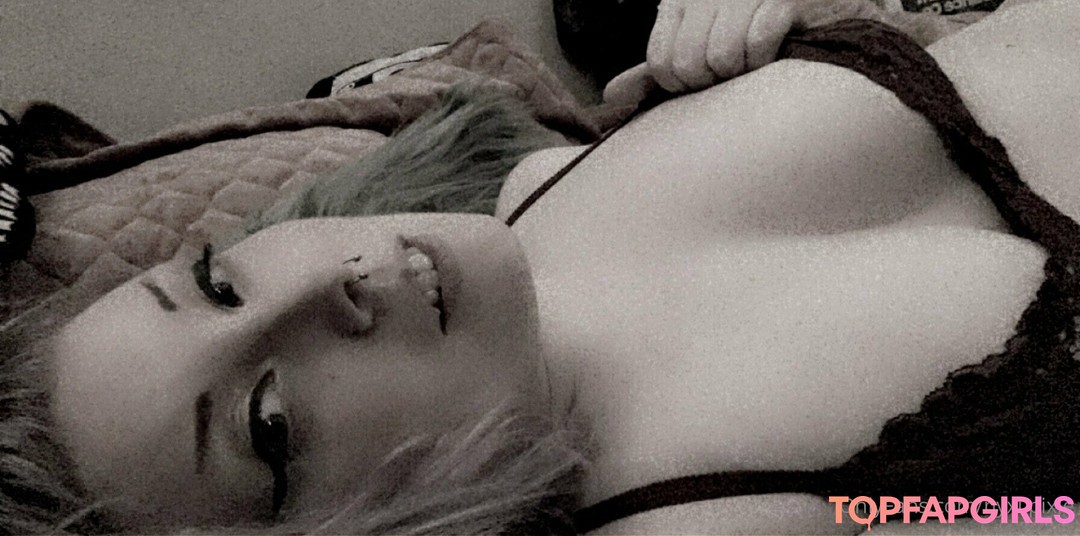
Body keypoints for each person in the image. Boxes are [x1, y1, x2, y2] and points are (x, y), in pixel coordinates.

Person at [4, 0, 1079, 533]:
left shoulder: (537, 184)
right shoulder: (706, 517)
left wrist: (773, 21)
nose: (326, 284)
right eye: (271, 423)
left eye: (218, 282)